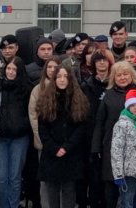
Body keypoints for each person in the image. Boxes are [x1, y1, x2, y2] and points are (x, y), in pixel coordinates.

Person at [92, 61, 136, 208]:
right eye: (118, 75)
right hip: (112, 147)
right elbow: (99, 122)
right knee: (110, 189)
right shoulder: (108, 95)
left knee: (132, 192)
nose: (122, 78)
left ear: (132, 75)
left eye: (125, 74)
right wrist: (96, 147)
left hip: (135, 150)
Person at [37, 65, 90, 208]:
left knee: (69, 191)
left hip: (71, 153)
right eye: (58, 76)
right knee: (52, 190)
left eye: (65, 76)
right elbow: (42, 128)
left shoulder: (79, 99)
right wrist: (54, 148)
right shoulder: (45, 100)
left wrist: (67, 147)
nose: (62, 80)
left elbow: (81, 127)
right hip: (51, 153)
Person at [0, 57, 31, 208]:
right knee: (0, 177)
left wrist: (22, 126)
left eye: (14, 69)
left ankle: (13, 205)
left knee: (15, 177)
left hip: (19, 138)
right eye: (8, 69)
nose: (11, 72)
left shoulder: (26, 89)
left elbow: (31, 113)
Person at [81, 49, 114, 208]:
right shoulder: (86, 85)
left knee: (108, 181)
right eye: (98, 60)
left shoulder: (115, 84)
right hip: (90, 137)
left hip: (110, 138)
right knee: (93, 179)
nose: (101, 63)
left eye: (104, 60)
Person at [30, 59, 60, 152]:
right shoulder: (38, 89)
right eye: (49, 67)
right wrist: (39, 135)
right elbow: (33, 115)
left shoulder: (67, 87)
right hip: (44, 137)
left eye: (55, 67)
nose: (52, 70)